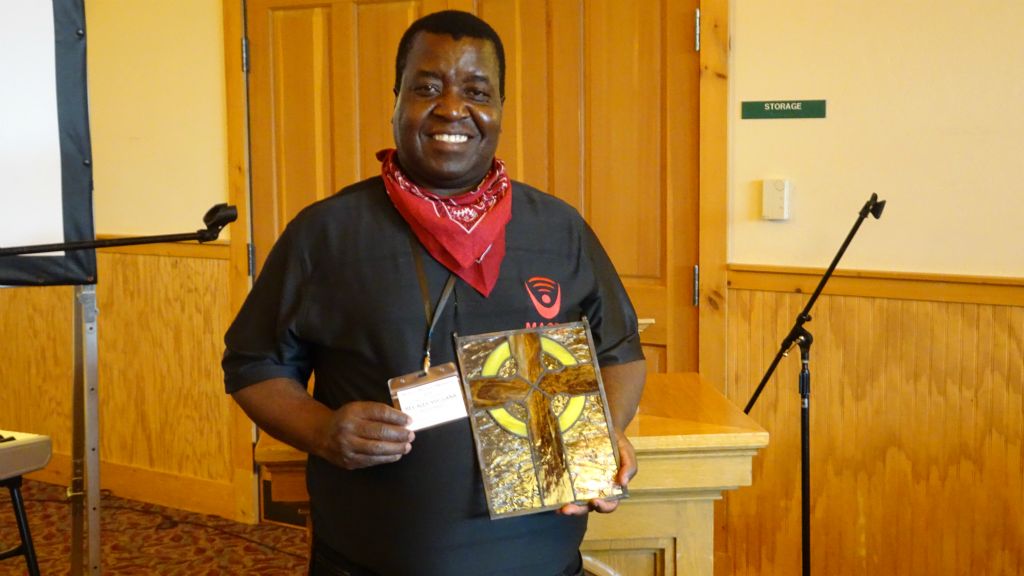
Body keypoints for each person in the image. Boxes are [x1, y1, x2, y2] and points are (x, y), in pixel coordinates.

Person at [223, 10, 646, 576]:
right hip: (369, 557)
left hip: (542, 558)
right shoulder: (325, 232)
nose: (452, 108)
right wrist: (322, 431)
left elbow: (619, 352)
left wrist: (602, 434)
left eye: (477, 91)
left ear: (499, 109)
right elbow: (253, 363)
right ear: (395, 100)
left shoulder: (558, 229)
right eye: (427, 88)